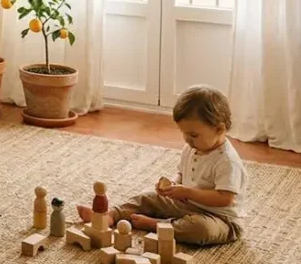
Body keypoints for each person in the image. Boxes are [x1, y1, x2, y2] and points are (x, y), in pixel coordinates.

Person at [77, 85, 247, 246]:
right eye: (184, 133)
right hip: (186, 205)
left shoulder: (227, 161)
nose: (187, 139)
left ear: (219, 129)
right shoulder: (191, 148)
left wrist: (187, 192)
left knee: (200, 229)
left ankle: (158, 225)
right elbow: (182, 174)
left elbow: (225, 198)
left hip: (219, 219)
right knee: (147, 197)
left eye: (193, 134)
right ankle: (110, 215)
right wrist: (173, 185)